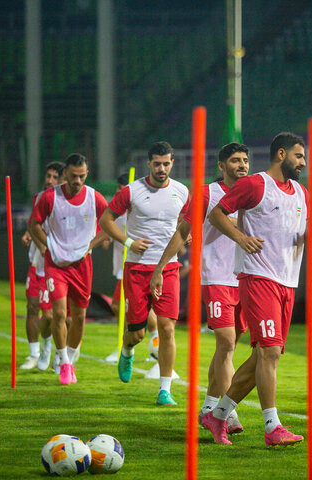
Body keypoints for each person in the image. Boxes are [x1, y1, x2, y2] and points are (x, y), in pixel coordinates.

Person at [201, 132, 309, 447]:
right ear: (280, 154)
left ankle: (217, 415)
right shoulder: (255, 184)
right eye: (298, 156)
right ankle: (272, 426)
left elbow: (294, 233)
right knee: (269, 352)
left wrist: (306, 235)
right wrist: (240, 237)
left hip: (287, 281)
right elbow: (217, 214)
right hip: (258, 277)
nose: (302, 163)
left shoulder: (300, 192)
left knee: (261, 356)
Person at [151, 142, 250, 433]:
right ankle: (227, 413)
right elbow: (183, 231)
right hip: (217, 277)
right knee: (227, 343)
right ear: (221, 166)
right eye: (235, 160)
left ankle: (208, 407)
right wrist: (160, 268)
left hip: (246, 278)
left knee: (225, 351)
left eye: (245, 160)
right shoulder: (208, 193)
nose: (242, 165)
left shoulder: (255, 193)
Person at [98, 141, 189, 405]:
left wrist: (186, 238)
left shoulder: (182, 191)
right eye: (157, 164)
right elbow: (105, 220)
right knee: (136, 333)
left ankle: (165, 390)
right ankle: (126, 351)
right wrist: (128, 242)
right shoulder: (131, 191)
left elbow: (185, 222)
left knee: (167, 329)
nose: (162, 169)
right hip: (137, 268)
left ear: (172, 163)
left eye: (166, 164)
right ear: (148, 164)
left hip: (169, 267)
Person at [29, 153, 109, 385]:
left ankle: (71, 358)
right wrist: (46, 247)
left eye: (82, 176)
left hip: (82, 265)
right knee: (59, 314)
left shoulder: (94, 197)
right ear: (65, 174)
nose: (78, 181)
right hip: (56, 264)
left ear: (87, 174)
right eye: (73, 176)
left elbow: (110, 222)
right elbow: (34, 224)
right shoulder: (49, 197)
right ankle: (63, 361)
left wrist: (91, 245)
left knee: (80, 317)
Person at [104, 174, 159, 364]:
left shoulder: (141, 206)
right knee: (127, 309)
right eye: (118, 187)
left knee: (121, 307)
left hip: (138, 267)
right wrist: (100, 241)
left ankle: (152, 341)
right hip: (123, 267)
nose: (120, 191)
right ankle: (149, 342)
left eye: (123, 187)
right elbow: (106, 227)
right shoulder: (117, 212)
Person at [20, 161, 64, 370]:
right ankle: (33, 354)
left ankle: (52, 348)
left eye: (55, 177)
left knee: (52, 315)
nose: (50, 180)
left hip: (58, 266)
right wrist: (37, 241)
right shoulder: (38, 198)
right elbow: (33, 223)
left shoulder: (67, 201)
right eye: (48, 176)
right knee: (32, 307)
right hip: (38, 262)